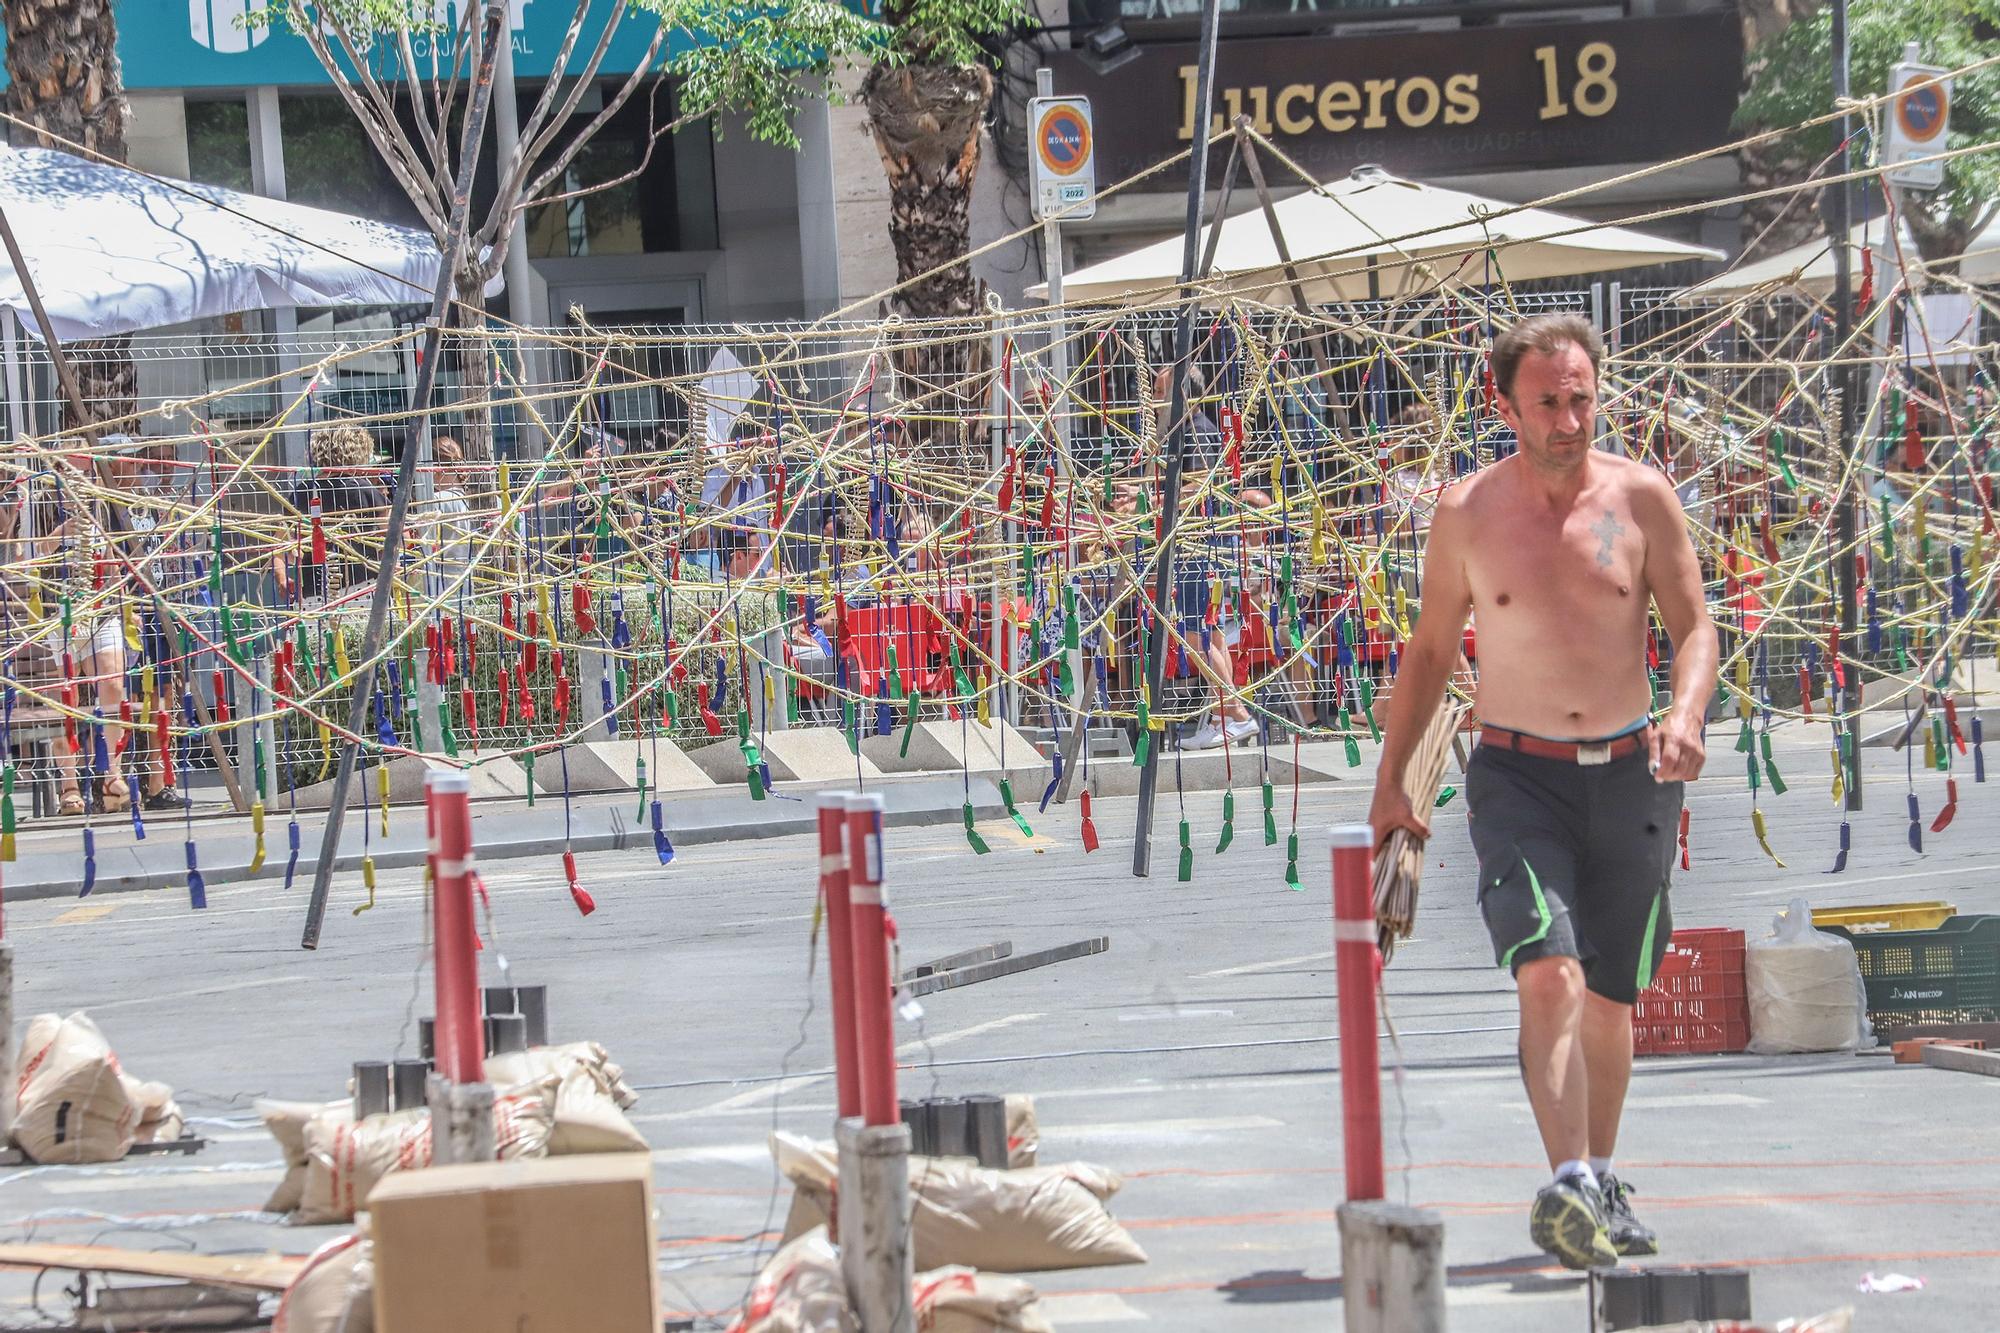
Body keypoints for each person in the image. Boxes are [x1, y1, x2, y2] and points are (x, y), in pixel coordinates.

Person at [1366, 313, 1717, 1271]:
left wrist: (1685, 713)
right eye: (1549, 402)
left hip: (1634, 772)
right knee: (1547, 969)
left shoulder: (1643, 498)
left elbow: (1695, 627)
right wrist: (1393, 784)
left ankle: (1598, 1178)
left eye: (1582, 399)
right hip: (1517, 774)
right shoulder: (1466, 513)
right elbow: (1433, 651)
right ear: (1505, 404)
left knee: (1609, 994)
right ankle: (1566, 1179)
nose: (1569, 419)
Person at [273, 425, 388, 603]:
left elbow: (279, 546)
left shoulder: (302, 492)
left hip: (315, 592)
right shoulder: (365, 489)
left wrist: (282, 577)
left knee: (319, 630)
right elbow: (396, 536)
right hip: (365, 587)